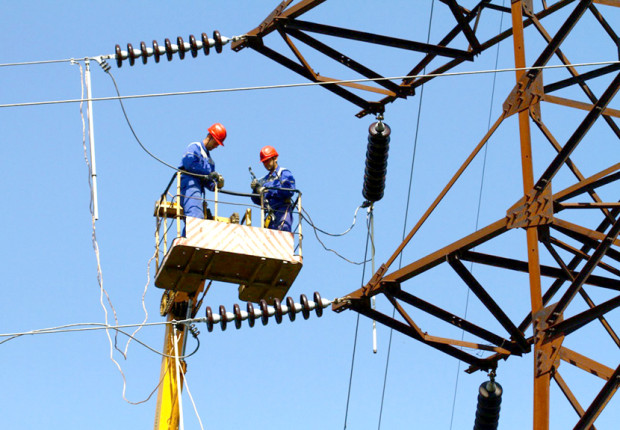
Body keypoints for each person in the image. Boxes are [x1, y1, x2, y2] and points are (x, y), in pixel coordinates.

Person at [179, 123, 226, 226]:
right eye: (216, 142)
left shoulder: (210, 162)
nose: (216, 146)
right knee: (195, 217)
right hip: (189, 185)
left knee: (196, 220)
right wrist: (209, 173)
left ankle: (187, 239)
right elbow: (190, 164)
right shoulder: (194, 147)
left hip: (199, 190)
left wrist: (218, 184)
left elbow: (209, 183)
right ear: (210, 136)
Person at [250, 145, 296, 232]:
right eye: (264, 162)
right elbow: (257, 201)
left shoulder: (283, 173)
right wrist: (255, 190)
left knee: (283, 232)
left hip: (282, 209)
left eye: (267, 160)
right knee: (267, 238)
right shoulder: (264, 179)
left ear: (275, 158)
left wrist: (269, 190)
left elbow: (289, 190)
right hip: (270, 213)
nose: (266, 164)